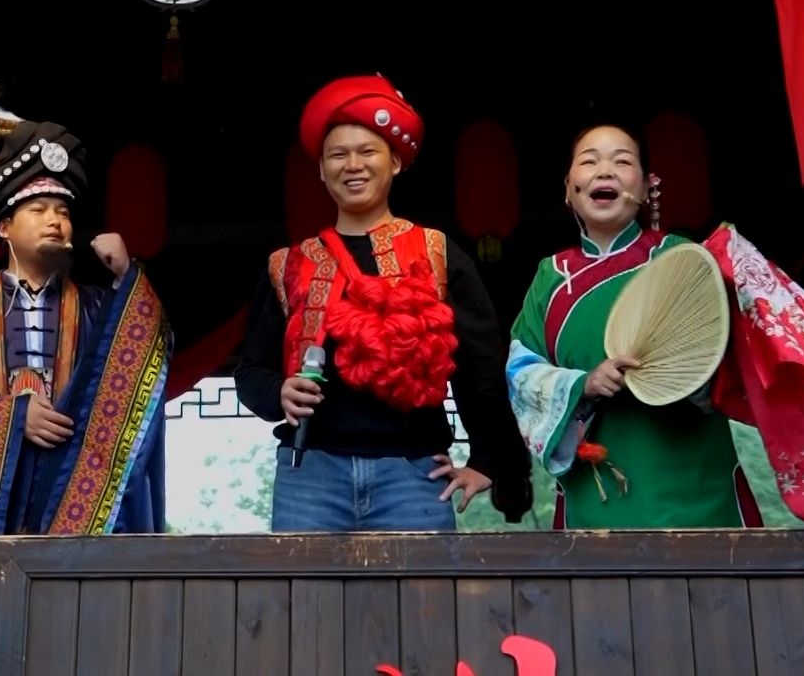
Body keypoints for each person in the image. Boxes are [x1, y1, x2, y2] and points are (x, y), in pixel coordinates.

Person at [235, 75, 532, 531]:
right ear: (321, 170)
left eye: (367, 152)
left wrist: (488, 459)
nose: (352, 165)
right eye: (338, 155)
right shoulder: (287, 265)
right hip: (309, 474)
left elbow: (481, 366)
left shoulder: (436, 251)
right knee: (305, 582)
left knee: (423, 584)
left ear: (394, 161)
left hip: (414, 474)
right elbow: (251, 369)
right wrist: (278, 392)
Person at [0, 103, 170, 535]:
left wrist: (127, 276)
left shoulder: (100, 306)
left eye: (63, 212)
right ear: (5, 227)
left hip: (72, 490)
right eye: (39, 209)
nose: (55, 221)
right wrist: (11, 417)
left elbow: (145, 365)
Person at [506, 123, 763, 528]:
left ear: (646, 188)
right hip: (594, 495)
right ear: (569, 188)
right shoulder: (550, 277)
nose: (605, 171)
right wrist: (583, 384)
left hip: (691, 488)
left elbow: (730, 359)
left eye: (622, 162)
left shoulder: (681, 260)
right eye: (589, 161)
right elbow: (520, 372)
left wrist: (676, 370)